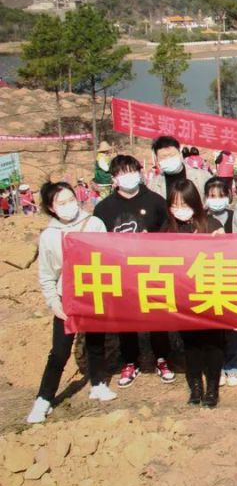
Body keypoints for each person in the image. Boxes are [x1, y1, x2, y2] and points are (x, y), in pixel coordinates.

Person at [26, 182, 114, 424]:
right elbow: (47, 274)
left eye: (71, 200)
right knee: (59, 351)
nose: (68, 206)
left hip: (94, 291)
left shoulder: (94, 224)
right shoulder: (49, 236)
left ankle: (98, 383)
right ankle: (44, 399)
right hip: (67, 297)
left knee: (96, 342)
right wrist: (54, 303)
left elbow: (108, 256)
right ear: (51, 208)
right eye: (61, 203)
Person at [93, 155, 173, 388]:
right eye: (122, 173)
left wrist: (153, 242)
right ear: (114, 178)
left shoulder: (156, 202)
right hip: (120, 273)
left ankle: (162, 358)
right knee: (125, 318)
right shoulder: (104, 208)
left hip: (152, 270)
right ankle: (130, 361)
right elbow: (96, 242)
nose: (128, 176)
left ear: (139, 173)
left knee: (157, 316)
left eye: (132, 171)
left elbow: (169, 234)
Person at [164, 180, 225, 407]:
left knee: (213, 342)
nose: (180, 209)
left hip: (210, 291)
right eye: (175, 205)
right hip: (183, 295)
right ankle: (196, 386)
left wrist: (221, 240)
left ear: (195, 203)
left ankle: (213, 387)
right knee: (191, 343)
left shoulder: (211, 224)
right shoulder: (167, 229)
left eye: (184, 204)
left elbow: (227, 256)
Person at [201, 177, 237, 387]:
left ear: (229, 196)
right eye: (212, 196)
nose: (216, 199)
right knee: (212, 325)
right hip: (207, 276)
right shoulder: (200, 220)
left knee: (234, 325)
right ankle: (215, 366)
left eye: (221, 195)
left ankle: (234, 364)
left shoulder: (235, 218)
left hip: (233, 276)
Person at [145, 136, 211, 200]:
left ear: (180, 153)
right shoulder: (153, 186)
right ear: (157, 159)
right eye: (164, 157)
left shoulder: (202, 177)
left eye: (172, 155)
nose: (169, 159)